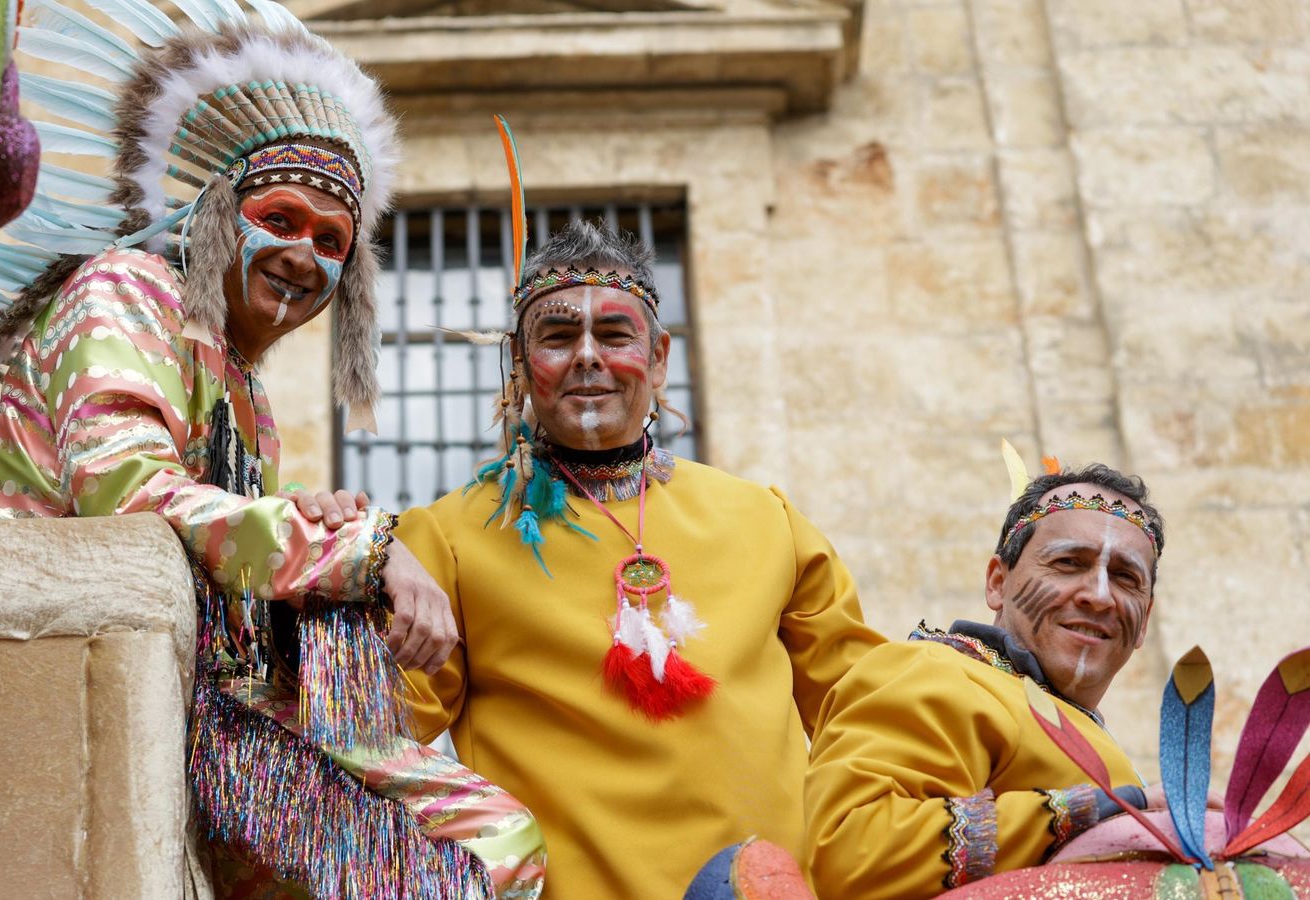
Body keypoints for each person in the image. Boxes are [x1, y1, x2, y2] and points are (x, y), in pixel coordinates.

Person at [0, 5, 540, 896]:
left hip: (201, 699)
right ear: (214, 215)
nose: (304, 255)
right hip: (48, 672)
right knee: (484, 847)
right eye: (281, 218)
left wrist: (311, 527)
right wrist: (365, 552)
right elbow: (129, 495)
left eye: (331, 241)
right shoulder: (128, 288)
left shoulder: (246, 393)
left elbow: (226, 576)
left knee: (489, 839)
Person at [394, 215, 885, 898]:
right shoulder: (449, 537)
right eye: (557, 337)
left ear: (658, 358)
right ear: (519, 367)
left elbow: (865, 713)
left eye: (614, 334)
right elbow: (379, 731)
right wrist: (339, 552)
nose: (586, 356)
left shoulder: (768, 520)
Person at [803, 462, 1166, 899]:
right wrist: (1103, 812)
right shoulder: (936, 671)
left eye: (1125, 577)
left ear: (1144, 621)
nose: (1100, 595)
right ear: (997, 582)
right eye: (1069, 563)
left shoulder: (1073, 723)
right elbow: (854, 850)